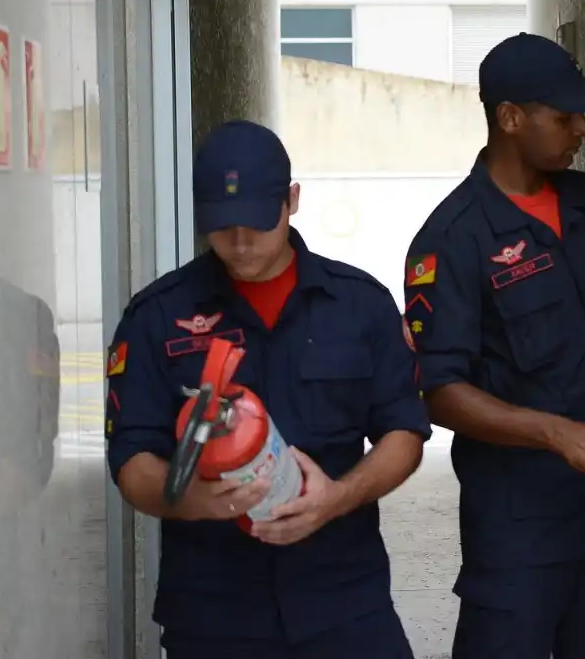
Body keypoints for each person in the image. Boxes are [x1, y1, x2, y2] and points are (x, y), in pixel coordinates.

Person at [104, 119, 430, 659]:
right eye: (222, 225)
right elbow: (131, 459)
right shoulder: (156, 317)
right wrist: (193, 501)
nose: (239, 242)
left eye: (256, 222)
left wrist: (336, 499)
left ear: (292, 200)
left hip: (344, 601)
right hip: (214, 612)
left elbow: (405, 432)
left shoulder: (358, 304)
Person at [403, 32, 585, 659]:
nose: (583, 129)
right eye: (565, 116)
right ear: (510, 119)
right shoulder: (452, 239)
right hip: (518, 529)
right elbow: (441, 392)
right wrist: (559, 434)